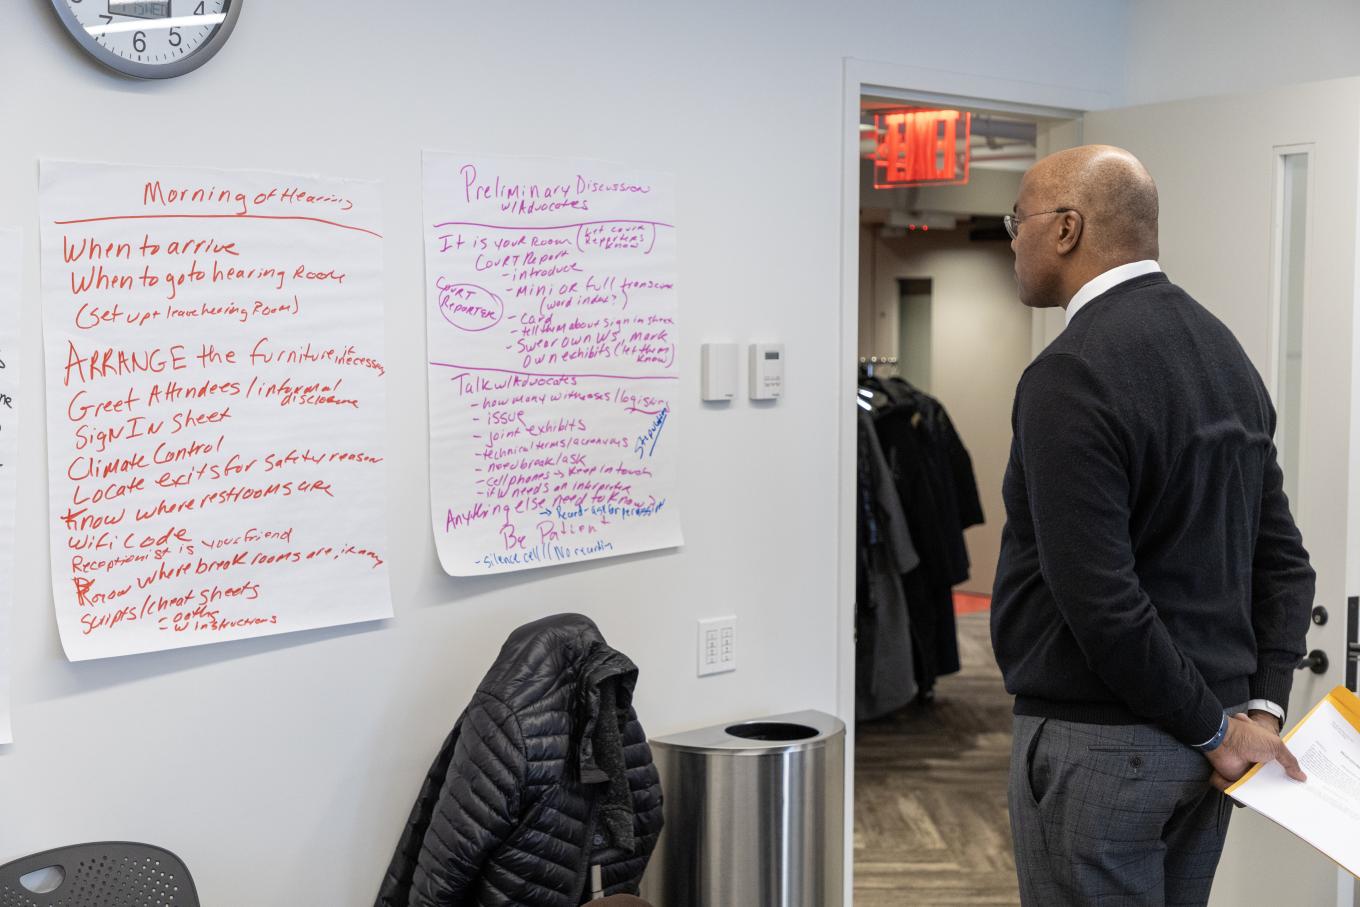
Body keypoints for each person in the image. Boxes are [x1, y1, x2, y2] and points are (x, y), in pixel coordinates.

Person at [991, 144, 1316, 906]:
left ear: (1067, 228)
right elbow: (1287, 564)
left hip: (1105, 746)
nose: (1012, 239)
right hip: (1205, 750)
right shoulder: (1225, 353)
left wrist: (1219, 730)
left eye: (1019, 220)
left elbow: (1102, 601)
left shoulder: (1069, 373)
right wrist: (1256, 712)